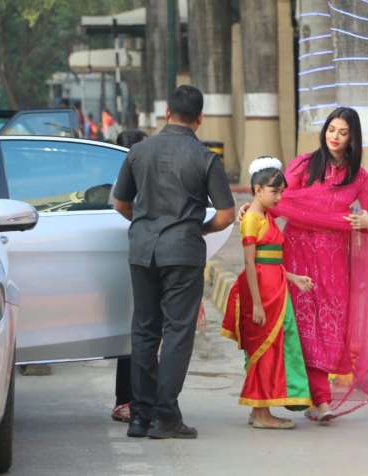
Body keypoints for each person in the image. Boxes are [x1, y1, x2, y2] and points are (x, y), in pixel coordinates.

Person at [240, 107, 368, 421]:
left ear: (352, 138)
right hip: (298, 252)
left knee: (329, 327)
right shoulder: (305, 164)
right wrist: (253, 208)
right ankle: (320, 399)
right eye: (332, 129)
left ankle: (315, 399)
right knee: (300, 326)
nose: (335, 137)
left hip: (333, 259)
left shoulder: (359, 177)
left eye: (343, 133)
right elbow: (278, 196)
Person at [112, 85, 235, 439]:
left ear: (166, 113)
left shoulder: (138, 152)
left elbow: (121, 204)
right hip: (182, 251)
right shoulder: (205, 157)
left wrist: (147, 221)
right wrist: (197, 228)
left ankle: (139, 416)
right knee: (177, 333)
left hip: (143, 250)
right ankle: (166, 417)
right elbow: (226, 215)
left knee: (144, 330)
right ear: (199, 119)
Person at [222, 157, 314, 430]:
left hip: (277, 288)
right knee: (263, 350)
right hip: (262, 293)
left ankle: (260, 410)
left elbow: (270, 261)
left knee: (273, 349)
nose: (279, 196)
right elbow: (251, 263)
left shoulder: (264, 217)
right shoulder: (252, 219)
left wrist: (293, 278)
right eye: (274, 191)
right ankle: (261, 414)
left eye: (281, 191)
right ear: (257, 190)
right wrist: (258, 305)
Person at [110, 129, 149, 424]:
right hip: (122, 265)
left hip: (147, 261)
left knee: (145, 332)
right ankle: (126, 398)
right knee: (134, 332)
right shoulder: (113, 187)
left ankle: (142, 398)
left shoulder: (152, 183)